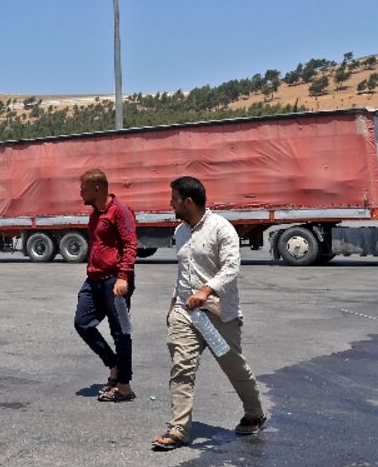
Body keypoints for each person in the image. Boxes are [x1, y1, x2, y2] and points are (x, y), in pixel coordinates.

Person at [152, 176, 267, 451]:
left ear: (188, 202)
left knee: (233, 366)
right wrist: (174, 302)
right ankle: (179, 429)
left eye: (174, 199)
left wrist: (206, 290)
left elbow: (231, 268)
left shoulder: (221, 229)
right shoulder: (180, 231)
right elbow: (184, 271)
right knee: (181, 366)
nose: (170, 203)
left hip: (218, 313)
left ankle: (254, 412)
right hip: (185, 312)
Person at [73, 169, 138, 403]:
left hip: (115, 281)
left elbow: (130, 244)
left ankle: (124, 386)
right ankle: (113, 364)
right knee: (82, 323)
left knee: (121, 332)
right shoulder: (95, 213)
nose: (80, 193)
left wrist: (123, 277)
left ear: (97, 188)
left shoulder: (120, 210)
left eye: (83, 188)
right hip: (94, 280)